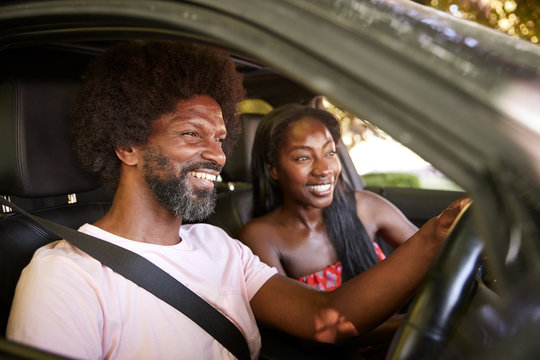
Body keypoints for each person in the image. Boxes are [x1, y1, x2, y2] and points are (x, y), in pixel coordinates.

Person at [6, 40, 468, 360]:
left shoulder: (218, 246)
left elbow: (329, 320)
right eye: (191, 134)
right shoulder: (65, 277)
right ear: (127, 145)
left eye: (221, 138)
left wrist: (436, 236)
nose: (217, 154)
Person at [240, 104, 418, 291]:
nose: (324, 169)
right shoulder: (261, 237)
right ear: (273, 169)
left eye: (330, 153)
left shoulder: (365, 206)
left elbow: (433, 254)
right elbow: (297, 318)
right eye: (303, 158)